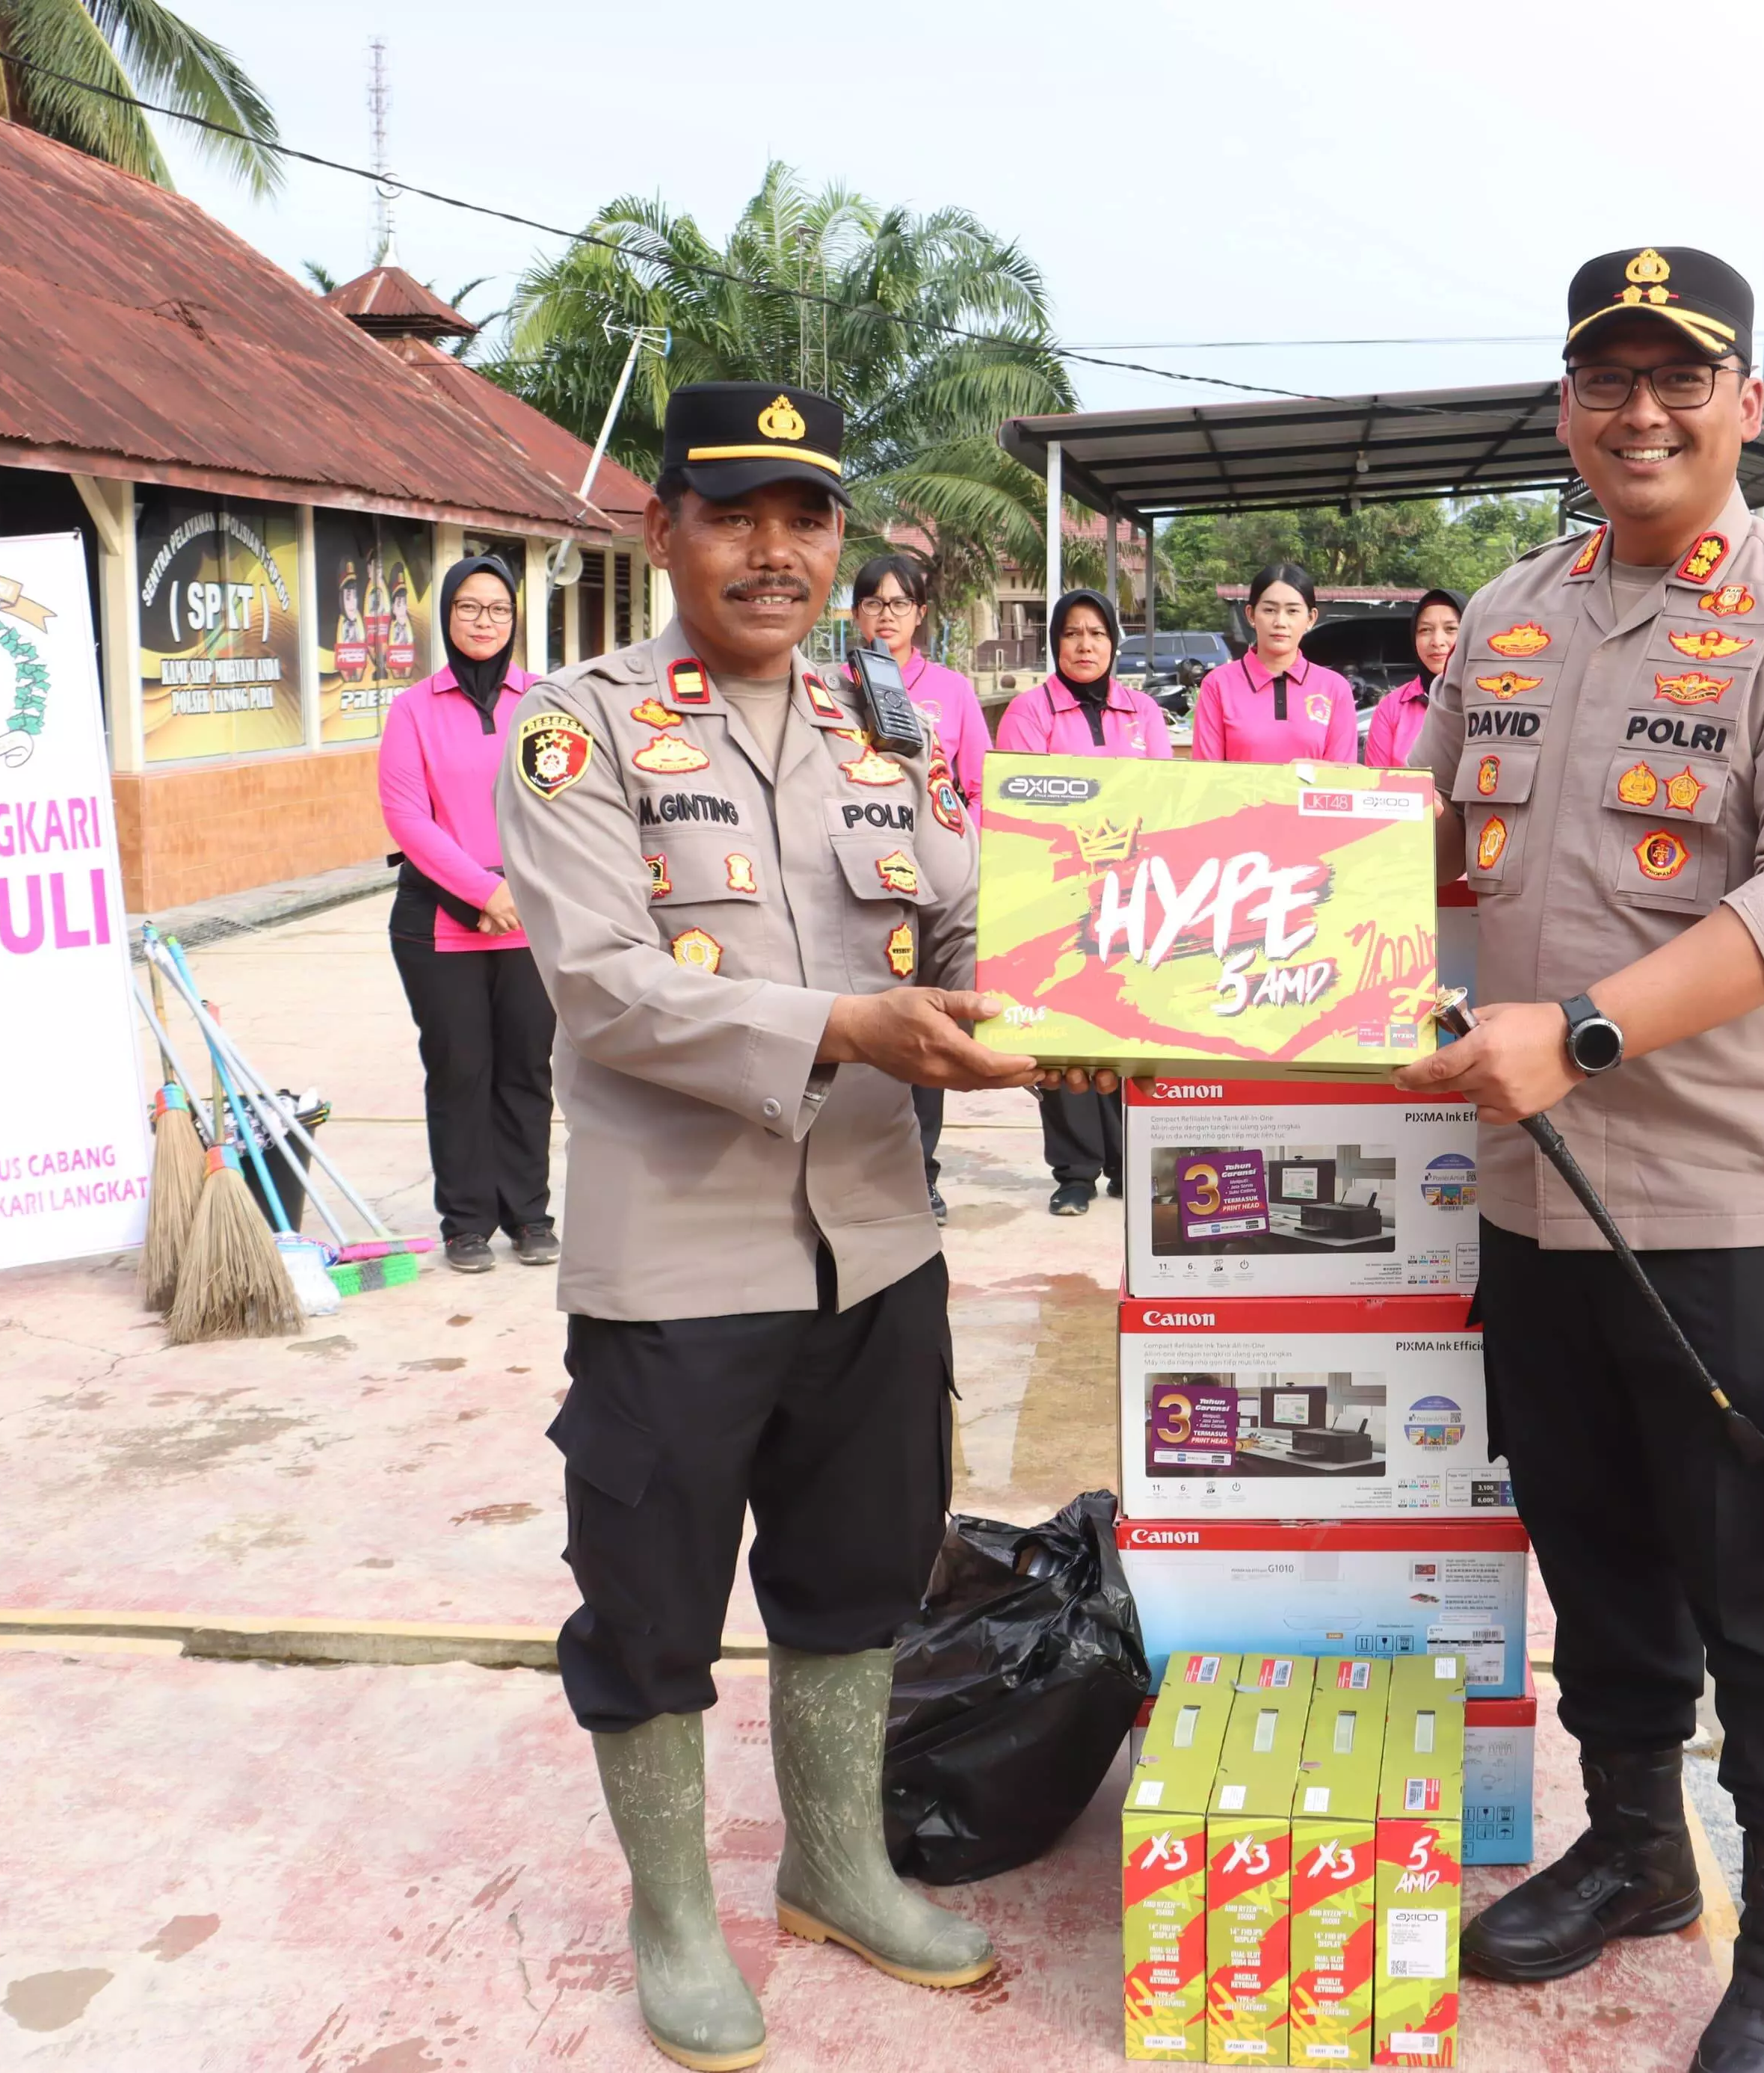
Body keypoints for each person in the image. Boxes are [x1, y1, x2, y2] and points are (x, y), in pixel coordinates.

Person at [497, 381, 1070, 2072]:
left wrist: (1174, 948)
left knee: (855, 1581)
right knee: (650, 1605)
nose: (774, 549)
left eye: (805, 516)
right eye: (733, 511)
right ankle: (673, 1915)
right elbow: (603, 990)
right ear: (658, 526)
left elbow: (1000, 908)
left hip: (879, 1243)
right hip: (675, 1259)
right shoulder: (576, 730)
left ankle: (837, 1864)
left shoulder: (875, 733)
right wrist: (840, 1028)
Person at [1393, 246, 1764, 2073]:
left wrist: (1583, 1032)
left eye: (1678, 378)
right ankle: (1635, 1849)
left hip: (1731, 1202)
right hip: (1532, 1193)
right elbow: (1427, 865)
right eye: (1604, 379)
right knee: (1592, 1541)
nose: (1640, 411)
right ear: (1564, 407)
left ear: (1745, 407)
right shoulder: (1511, 613)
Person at [377, 555, 558, 1275]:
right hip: (439, 921)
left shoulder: (546, 700)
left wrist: (518, 892)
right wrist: (485, 894)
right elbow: (406, 817)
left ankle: (530, 1213)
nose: (485, 621)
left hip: (532, 914)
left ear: (514, 620)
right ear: (447, 616)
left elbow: (564, 802)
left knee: (526, 1068)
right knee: (458, 1069)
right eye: (470, 608)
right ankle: (467, 1221)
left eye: (498, 609)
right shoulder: (412, 707)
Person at [993, 588, 1170, 1213]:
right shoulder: (1028, 711)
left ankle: (1129, 1160)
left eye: (1097, 633)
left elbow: (1166, 798)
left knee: (1130, 1019)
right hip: (1057, 892)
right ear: (1056, 644)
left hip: (1134, 892)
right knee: (1064, 1031)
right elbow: (1019, 803)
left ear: (1115, 643)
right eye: (1072, 634)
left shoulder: (1143, 711)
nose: (1086, 645)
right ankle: (1074, 1171)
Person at [851, 552, 993, 1225]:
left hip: (932, 884)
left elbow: (978, 789)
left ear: (920, 613)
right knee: (861, 1023)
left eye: (899, 603)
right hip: (857, 883)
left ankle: (922, 1172)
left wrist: (969, 864)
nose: (886, 614)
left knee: (926, 1020)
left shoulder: (952, 691)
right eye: (874, 603)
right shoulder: (831, 685)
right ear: (854, 614)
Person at [1188, 562, 1359, 763]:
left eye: (1293, 611)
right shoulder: (1218, 685)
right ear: (1251, 614)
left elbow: (1343, 778)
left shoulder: (1334, 688)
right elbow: (1207, 774)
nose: (1280, 622)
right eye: (1269, 610)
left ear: (1311, 618)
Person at [1363, 585, 1462, 768]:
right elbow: (1376, 784)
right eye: (1425, 630)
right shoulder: (1392, 707)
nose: (1437, 642)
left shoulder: (1486, 701)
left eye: (1450, 629)